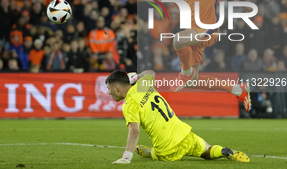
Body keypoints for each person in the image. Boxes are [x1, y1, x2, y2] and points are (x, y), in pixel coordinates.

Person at [115, 0, 255, 112]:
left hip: (210, 27)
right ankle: (237, 90)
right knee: (194, 82)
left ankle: (185, 72)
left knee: (178, 40)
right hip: (194, 30)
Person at [106, 69, 250, 164]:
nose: (108, 93)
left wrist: (126, 157)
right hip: (184, 133)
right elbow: (151, 72)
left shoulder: (130, 104)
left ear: (117, 87)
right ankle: (223, 150)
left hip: (167, 148)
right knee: (207, 151)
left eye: (109, 88)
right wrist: (136, 77)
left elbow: (134, 131)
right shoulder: (143, 84)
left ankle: (150, 152)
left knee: (157, 153)